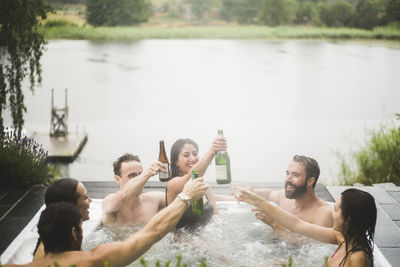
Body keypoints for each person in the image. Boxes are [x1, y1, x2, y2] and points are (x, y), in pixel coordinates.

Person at [3, 178, 208, 267]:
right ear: (74, 232)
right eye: (84, 197)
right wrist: (185, 196)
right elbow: (152, 232)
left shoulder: (38, 253)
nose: (90, 200)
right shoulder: (94, 260)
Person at [239, 188, 377, 267]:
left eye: (335, 209)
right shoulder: (340, 237)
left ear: (348, 219)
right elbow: (297, 225)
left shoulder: (357, 258)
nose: (331, 212)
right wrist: (260, 202)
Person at [233, 155, 333, 232]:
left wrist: (274, 224)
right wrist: (251, 191)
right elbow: (268, 194)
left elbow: (309, 251)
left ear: (310, 181)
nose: (288, 179)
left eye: (295, 175)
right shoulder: (284, 198)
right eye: (287, 173)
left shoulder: (324, 213)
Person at [166, 136, 227, 228]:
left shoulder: (204, 187)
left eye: (195, 154)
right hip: (182, 241)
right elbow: (190, 177)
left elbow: (216, 219)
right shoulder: (173, 185)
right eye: (186, 155)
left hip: (206, 239)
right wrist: (212, 151)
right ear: (175, 162)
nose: (193, 158)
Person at [33, 178, 92, 261]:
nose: (90, 200)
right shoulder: (51, 251)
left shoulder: (60, 237)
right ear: (69, 206)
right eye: (85, 198)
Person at [102, 153, 167, 225]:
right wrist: (147, 173)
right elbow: (123, 196)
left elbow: (178, 198)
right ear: (117, 179)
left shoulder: (155, 199)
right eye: (132, 175)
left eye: (140, 174)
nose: (140, 179)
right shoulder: (108, 201)